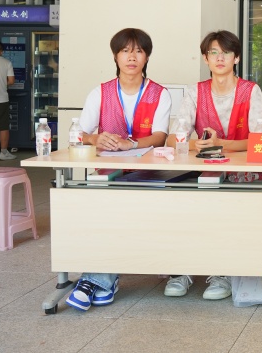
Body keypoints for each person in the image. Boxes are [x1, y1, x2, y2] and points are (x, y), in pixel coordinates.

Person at [66, 28, 172, 311]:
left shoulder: (159, 94)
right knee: (103, 212)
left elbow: (160, 136)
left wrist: (131, 143)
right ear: (115, 56)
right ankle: (102, 280)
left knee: (116, 214)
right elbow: (77, 134)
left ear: (146, 57)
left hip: (148, 174)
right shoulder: (100, 92)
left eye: (138, 51)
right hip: (108, 173)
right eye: (125, 51)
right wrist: (94, 139)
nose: (131, 57)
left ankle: (96, 280)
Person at [163, 30, 262, 300]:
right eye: (214, 52)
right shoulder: (195, 92)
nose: (220, 58)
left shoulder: (250, 91)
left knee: (228, 217)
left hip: (243, 175)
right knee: (186, 210)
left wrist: (221, 144)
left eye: (226, 52)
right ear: (205, 58)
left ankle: (223, 272)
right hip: (205, 172)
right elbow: (174, 138)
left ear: (237, 58)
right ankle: (183, 269)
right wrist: (193, 144)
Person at [0, 42, 16, 160]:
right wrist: (3, 84)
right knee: (3, 126)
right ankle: (3, 153)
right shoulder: (6, 63)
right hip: (1, 99)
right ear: (1, 51)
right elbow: (11, 81)